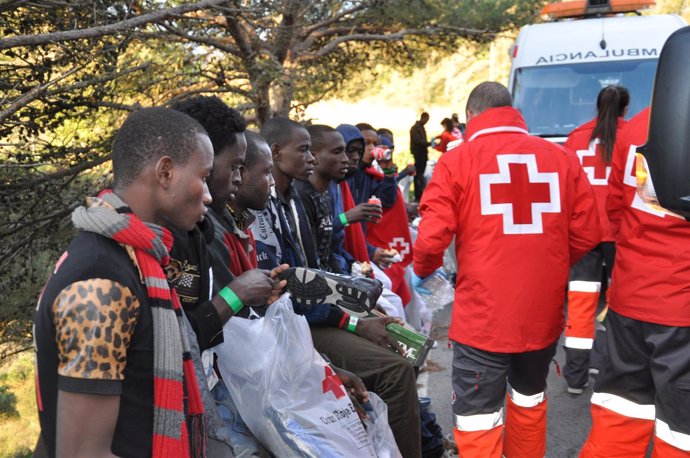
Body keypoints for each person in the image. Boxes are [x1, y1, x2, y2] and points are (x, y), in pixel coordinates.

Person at [33, 107, 280, 458]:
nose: (209, 196)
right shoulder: (102, 285)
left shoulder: (140, 259)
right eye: (203, 176)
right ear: (165, 172)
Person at [413, 82, 601, 458]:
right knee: (529, 403)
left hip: (483, 319)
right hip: (541, 316)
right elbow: (588, 232)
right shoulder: (560, 157)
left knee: (477, 419)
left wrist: (422, 271)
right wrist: (549, 263)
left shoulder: (457, 161)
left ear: (470, 117)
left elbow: (431, 241)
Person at [253, 117, 422, 457]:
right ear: (275, 153)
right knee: (397, 368)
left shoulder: (294, 199)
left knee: (411, 344)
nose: (312, 159)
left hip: (318, 311)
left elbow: (318, 272)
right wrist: (356, 321)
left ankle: (404, 435)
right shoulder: (267, 208)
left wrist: (359, 302)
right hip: (300, 325)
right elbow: (293, 291)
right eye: (304, 151)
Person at [579, 105, 690, 456]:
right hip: (680, 307)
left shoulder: (636, 127)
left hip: (631, 297)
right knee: (681, 432)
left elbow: (616, 209)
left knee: (620, 411)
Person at [561, 85, 629, 394]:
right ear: (625, 109)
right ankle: (613, 370)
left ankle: (576, 375)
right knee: (622, 304)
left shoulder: (576, 138)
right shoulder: (635, 136)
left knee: (581, 304)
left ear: (596, 106)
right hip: (622, 233)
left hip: (583, 233)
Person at [409, 112, 430, 201]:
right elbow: (418, 141)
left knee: (421, 174)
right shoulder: (415, 129)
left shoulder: (421, 128)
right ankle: (418, 195)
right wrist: (429, 143)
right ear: (423, 118)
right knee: (418, 174)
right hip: (418, 154)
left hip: (423, 154)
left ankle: (420, 193)